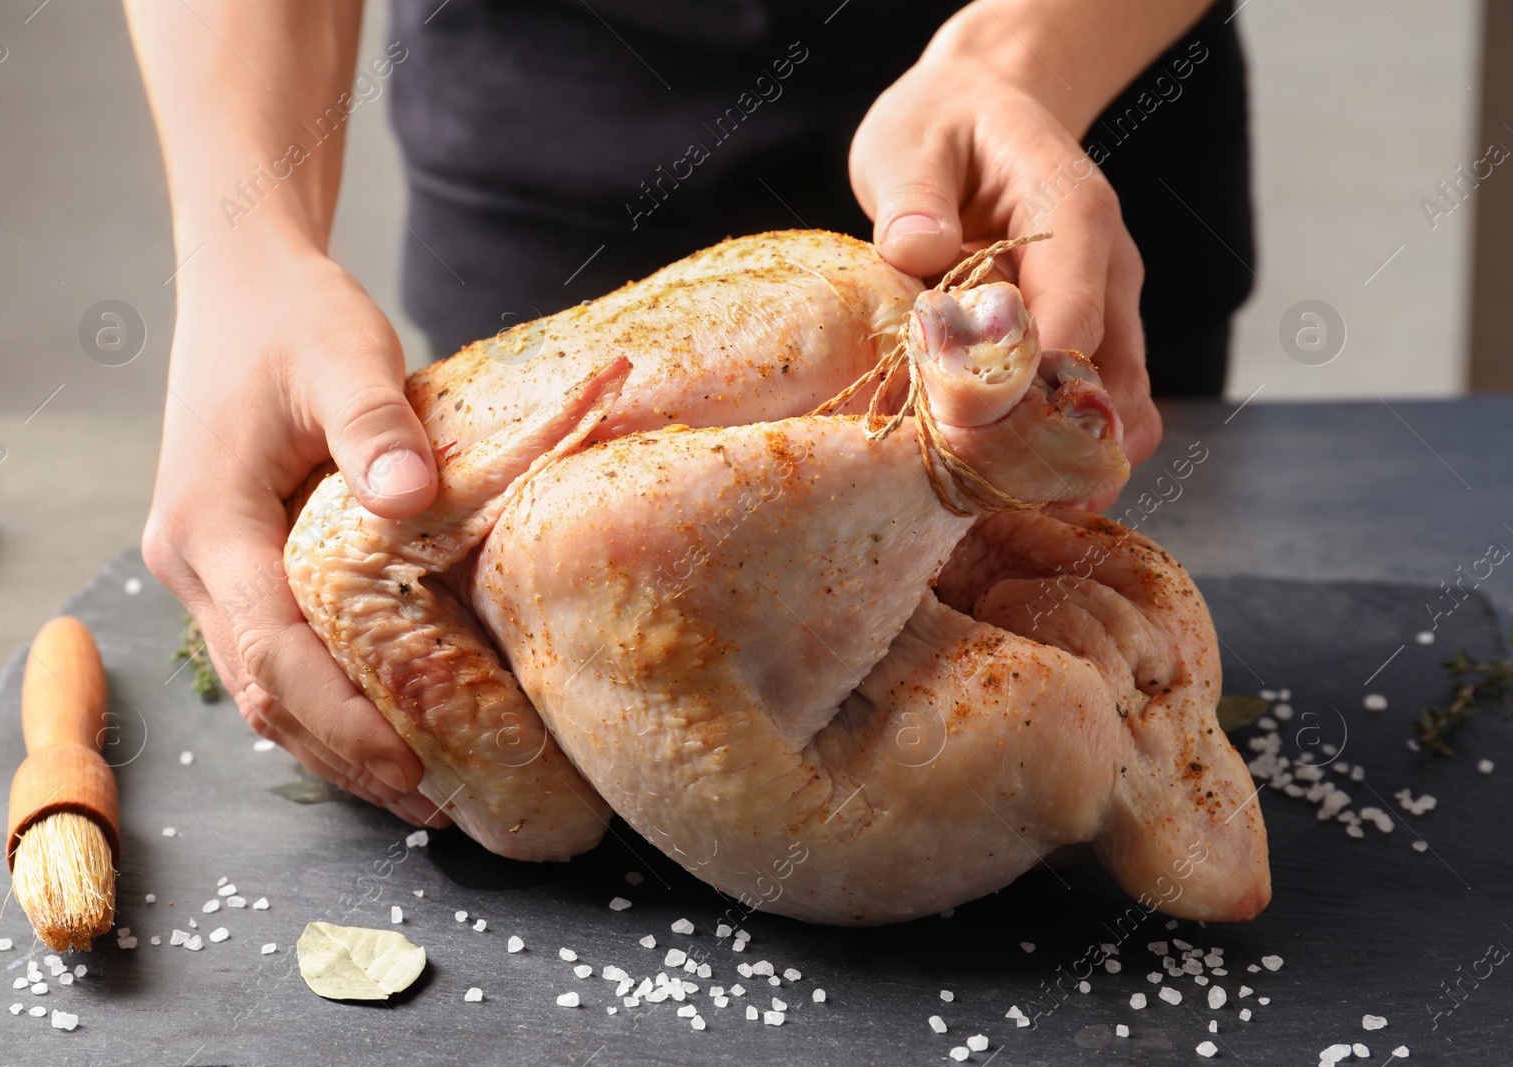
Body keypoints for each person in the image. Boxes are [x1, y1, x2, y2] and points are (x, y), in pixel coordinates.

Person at [124, 0, 1253, 828]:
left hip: (1036, 166)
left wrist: (1017, 57)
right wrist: (243, 245)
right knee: (542, 775)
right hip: (546, 164)